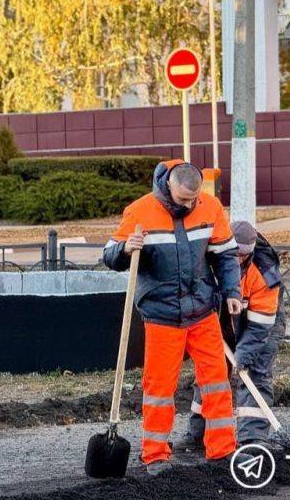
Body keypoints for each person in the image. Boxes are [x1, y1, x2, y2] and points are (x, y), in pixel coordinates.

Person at [102, 160, 243, 475]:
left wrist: (233, 292)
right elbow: (109, 255)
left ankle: (222, 450)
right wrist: (126, 248)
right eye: (183, 200)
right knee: (159, 389)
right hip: (162, 315)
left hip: (203, 311)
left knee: (217, 382)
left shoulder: (210, 207)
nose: (190, 205)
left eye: (194, 199)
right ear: (168, 187)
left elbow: (225, 255)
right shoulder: (140, 212)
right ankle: (155, 455)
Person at [180, 220, 285, 451]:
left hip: (261, 324)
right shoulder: (207, 260)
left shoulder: (264, 273)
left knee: (255, 372)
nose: (237, 260)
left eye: (243, 256)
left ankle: (253, 437)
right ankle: (199, 433)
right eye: (234, 254)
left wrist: (244, 355)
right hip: (220, 320)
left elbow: (260, 327)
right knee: (211, 372)